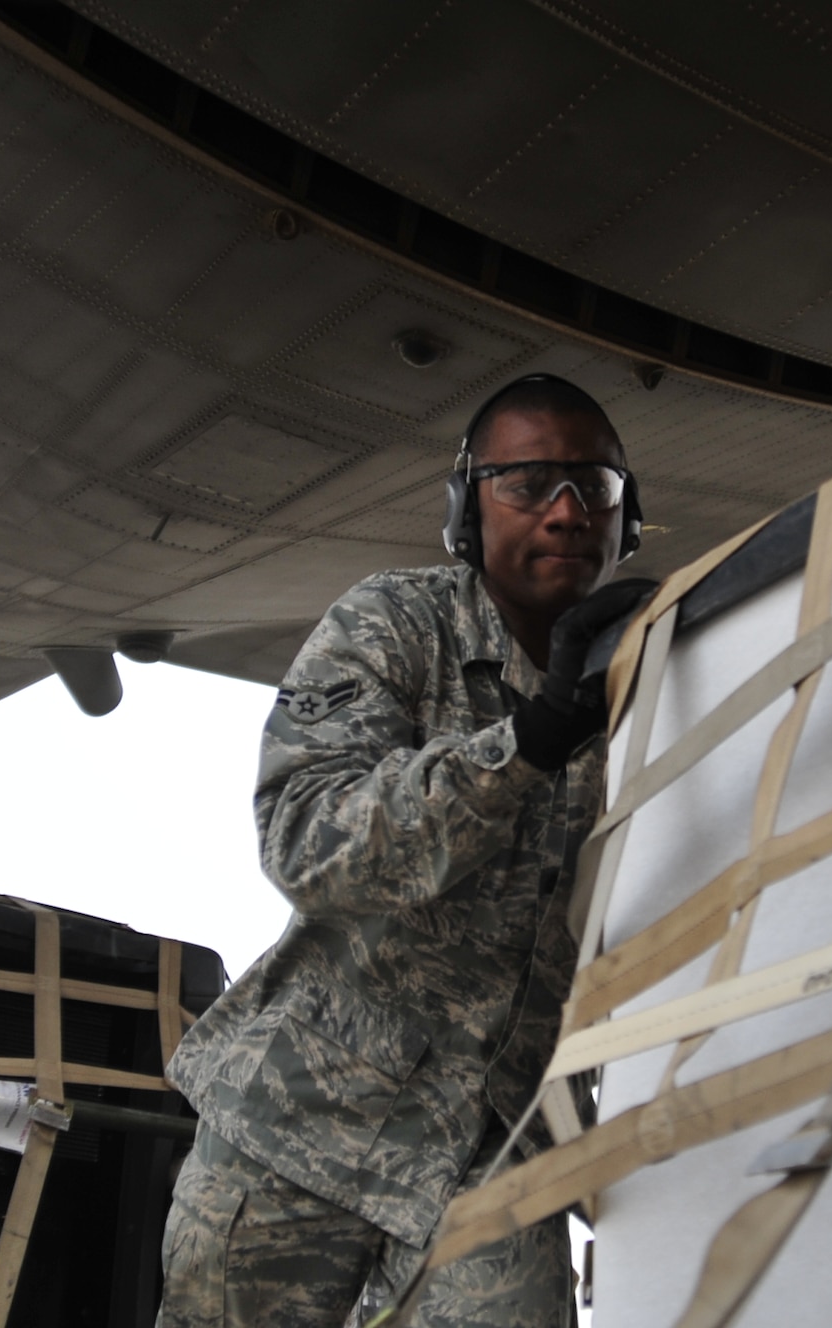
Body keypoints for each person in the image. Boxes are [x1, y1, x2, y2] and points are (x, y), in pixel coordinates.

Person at [160, 374, 656, 1328]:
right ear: (467, 509)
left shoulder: (648, 675)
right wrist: (534, 740)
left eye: (591, 486)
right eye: (528, 483)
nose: (564, 512)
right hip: (300, 1125)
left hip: (497, 1150)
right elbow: (308, 839)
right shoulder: (394, 623)